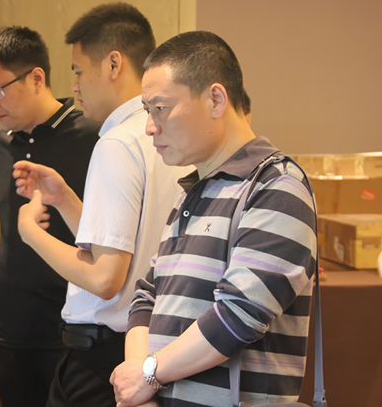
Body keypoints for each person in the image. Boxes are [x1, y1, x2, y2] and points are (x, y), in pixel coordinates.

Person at [110, 30, 317, 407]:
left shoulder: (277, 187)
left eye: (161, 108)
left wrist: (149, 373)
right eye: (147, 110)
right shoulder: (193, 190)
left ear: (216, 99)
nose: (150, 126)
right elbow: (147, 295)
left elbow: (238, 315)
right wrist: (142, 383)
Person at [13, 3, 191, 407]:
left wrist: (30, 234)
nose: (73, 86)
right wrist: (65, 200)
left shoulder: (118, 142)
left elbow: (105, 279)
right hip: (150, 347)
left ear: (113, 64)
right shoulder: (168, 135)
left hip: (104, 355)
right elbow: (131, 245)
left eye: (78, 71)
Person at [0, 26, 101, 407]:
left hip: (67, 325)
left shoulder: (93, 138)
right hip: (9, 323)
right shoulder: (2, 143)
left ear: (37, 78)